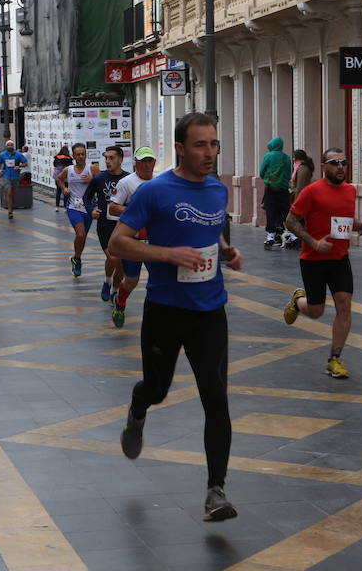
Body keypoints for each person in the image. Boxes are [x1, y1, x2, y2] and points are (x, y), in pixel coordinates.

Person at [109, 113, 243, 522]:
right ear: (181, 148)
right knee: (158, 388)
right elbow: (119, 243)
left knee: (216, 399)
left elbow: (213, 228)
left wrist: (224, 250)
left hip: (210, 310)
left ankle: (215, 491)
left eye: (214, 144)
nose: (209, 153)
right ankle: (138, 406)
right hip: (165, 310)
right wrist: (168, 254)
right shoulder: (155, 192)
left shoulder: (218, 190)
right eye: (201, 145)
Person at [281, 148, 362, 379]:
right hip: (313, 260)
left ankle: (335, 359)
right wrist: (313, 242)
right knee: (316, 311)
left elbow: (341, 221)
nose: (341, 167)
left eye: (344, 162)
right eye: (335, 163)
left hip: (339, 259)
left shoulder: (350, 191)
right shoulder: (311, 191)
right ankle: (298, 300)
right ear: (324, 167)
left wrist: (361, 227)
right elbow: (290, 221)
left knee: (344, 305)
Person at [108, 146, 156, 328]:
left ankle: (159, 315)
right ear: (135, 162)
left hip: (154, 242)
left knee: (160, 279)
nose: (146, 164)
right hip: (133, 243)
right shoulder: (126, 183)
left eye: (149, 160)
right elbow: (112, 208)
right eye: (142, 161)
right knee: (131, 281)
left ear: (154, 163)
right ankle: (120, 302)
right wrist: (135, 211)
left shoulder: (160, 182)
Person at [84, 146, 130, 302]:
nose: (108, 161)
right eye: (106, 158)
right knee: (113, 258)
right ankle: (107, 281)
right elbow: (87, 197)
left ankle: (115, 290)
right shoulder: (99, 179)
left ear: (121, 159)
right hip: (104, 225)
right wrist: (91, 210)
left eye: (112, 158)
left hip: (123, 226)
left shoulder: (128, 179)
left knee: (122, 265)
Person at [56, 143, 98, 276]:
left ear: (86, 155)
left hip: (89, 207)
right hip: (74, 206)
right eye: (78, 154)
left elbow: (102, 182)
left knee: (83, 236)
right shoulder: (69, 170)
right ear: (73, 156)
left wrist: (92, 179)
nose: (80, 157)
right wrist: (64, 188)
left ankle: (76, 257)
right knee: (80, 234)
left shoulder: (92, 169)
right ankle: (78, 260)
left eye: (83, 154)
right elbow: (59, 179)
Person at [259, 137, 292, 250]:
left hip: (270, 189)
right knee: (286, 211)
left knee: (271, 212)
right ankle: (292, 235)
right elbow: (289, 174)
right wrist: (283, 182)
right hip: (283, 189)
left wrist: (270, 180)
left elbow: (262, 172)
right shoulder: (286, 158)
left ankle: (270, 237)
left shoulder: (268, 156)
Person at [0, 139, 27, 220]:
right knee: (9, 192)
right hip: (6, 176)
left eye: (11, 145)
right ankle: (10, 212)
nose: (10, 146)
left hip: (15, 176)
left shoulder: (18, 154)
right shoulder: (2, 155)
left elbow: (25, 163)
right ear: (6, 146)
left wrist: (19, 166)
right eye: (8, 145)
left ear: (13, 146)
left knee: (13, 194)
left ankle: (10, 205)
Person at [52, 146, 72, 212]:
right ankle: (65, 207)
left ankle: (57, 207)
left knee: (58, 191)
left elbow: (54, 165)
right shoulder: (69, 158)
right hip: (65, 177)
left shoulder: (57, 157)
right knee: (65, 191)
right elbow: (71, 166)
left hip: (57, 176)